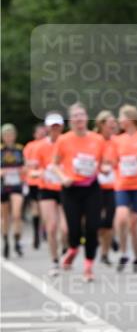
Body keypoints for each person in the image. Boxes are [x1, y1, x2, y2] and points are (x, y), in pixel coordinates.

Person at [51, 104, 105, 281]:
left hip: (91, 188)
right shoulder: (63, 140)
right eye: (75, 116)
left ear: (86, 117)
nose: (79, 118)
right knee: (73, 228)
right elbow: (54, 165)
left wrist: (104, 169)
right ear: (70, 120)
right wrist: (63, 177)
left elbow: (103, 162)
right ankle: (73, 248)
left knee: (92, 227)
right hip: (71, 189)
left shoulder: (98, 139)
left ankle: (88, 266)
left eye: (81, 115)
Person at [109, 105, 137, 272]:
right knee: (121, 218)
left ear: (130, 119)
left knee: (134, 224)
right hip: (122, 184)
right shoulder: (117, 140)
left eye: (121, 117)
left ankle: (136, 257)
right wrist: (109, 166)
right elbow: (113, 162)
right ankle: (123, 252)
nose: (119, 121)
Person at [35, 113, 66, 275]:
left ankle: (66, 249)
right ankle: (54, 261)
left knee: (65, 229)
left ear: (62, 127)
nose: (55, 130)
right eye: (52, 127)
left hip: (65, 189)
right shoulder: (40, 146)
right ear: (47, 128)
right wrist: (42, 172)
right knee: (52, 227)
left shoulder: (67, 143)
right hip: (46, 189)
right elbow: (31, 170)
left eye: (57, 126)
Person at [94, 111, 119, 266]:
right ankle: (97, 242)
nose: (113, 126)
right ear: (101, 125)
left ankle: (105, 253)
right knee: (96, 221)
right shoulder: (93, 140)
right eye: (110, 124)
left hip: (112, 185)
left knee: (109, 220)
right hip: (94, 186)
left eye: (114, 124)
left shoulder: (117, 142)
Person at [1, 123, 25, 258]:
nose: (8, 137)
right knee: (5, 217)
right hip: (3, 186)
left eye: (11, 134)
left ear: (14, 136)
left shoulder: (20, 150)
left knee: (16, 215)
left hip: (16, 185)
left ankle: (17, 240)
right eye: (6, 135)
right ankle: (6, 242)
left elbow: (26, 167)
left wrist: (22, 171)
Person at [23, 123, 46, 250]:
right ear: (34, 134)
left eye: (43, 133)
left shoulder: (48, 144)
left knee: (44, 208)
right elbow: (26, 163)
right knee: (35, 208)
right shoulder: (30, 146)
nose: (41, 135)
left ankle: (44, 230)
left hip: (45, 182)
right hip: (33, 181)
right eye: (39, 133)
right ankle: (36, 233)